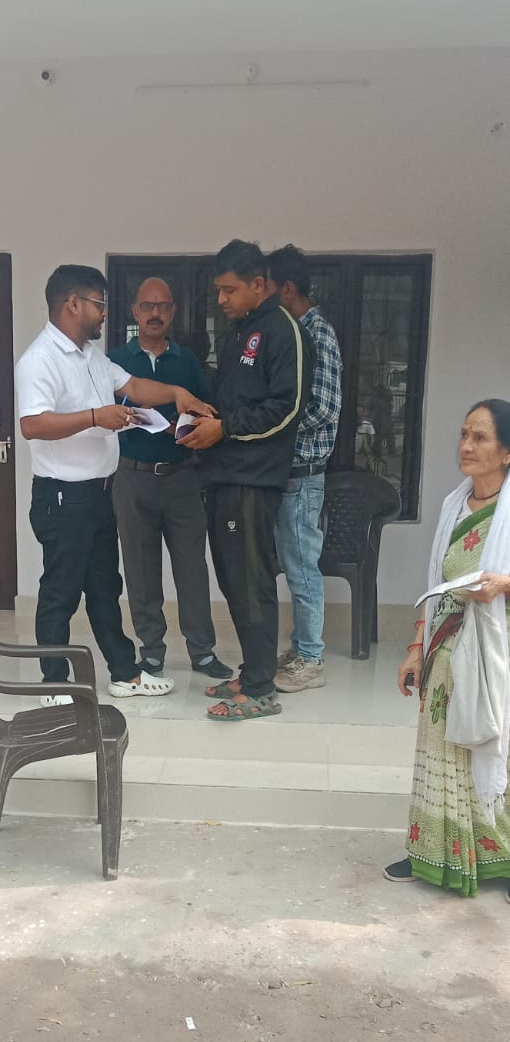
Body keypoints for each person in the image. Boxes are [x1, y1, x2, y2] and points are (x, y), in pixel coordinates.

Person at [15, 264, 215, 702]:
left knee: (106, 589)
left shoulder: (91, 356)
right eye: (99, 304)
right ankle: (54, 682)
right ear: (73, 304)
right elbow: (32, 424)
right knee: (60, 593)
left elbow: (134, 385)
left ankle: (125, 673)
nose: (105, 313)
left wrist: (175, 394)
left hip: (100, 493)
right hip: (62, 497)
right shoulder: (39, 360)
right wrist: (95, 417)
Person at [179, 239, 314, 722]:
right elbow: (233, 403)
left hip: (253, 482)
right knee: (233, 580)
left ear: (259, 284)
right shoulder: (240, 332)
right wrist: (202, 420)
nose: (221, 299)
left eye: (229, 290)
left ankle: (260, 689)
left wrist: (225, 429)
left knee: (252, 582)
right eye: (218, 290)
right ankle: (252, 670)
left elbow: (287, 409)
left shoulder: (284, 331)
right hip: (223, 475)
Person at [384, 399, 510, 900]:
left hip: (497, 656)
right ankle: (432, 852)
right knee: (442, 749)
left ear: (507, 452)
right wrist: (416, 648)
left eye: (480, 437)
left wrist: (503, 584)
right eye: (463, 434)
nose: (466, 446)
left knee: (493, 748)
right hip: (446, 652)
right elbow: (434, 585)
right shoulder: (454, 506)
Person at [108, 276, 232, 681]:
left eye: (162, 306)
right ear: (135, 312)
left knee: (192, 568)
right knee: (140, 570)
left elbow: (205, 410)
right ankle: (151, 651)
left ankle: (203, 652)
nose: (155, 313)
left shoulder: (187, 361)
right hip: (133, 478)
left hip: (181, 478)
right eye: (147, 306)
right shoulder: (115, 362)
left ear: (173, 312)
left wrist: (186, 425)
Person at [265, 244, 343, 692]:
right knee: (294, 564)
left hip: (304, 473)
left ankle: (311, 658)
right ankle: (302, 647)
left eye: (268, 287)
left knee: (302, 567)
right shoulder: (297, 332)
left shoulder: (317, 334)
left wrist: (275, 425)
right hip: (290, 472)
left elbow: (324, 408)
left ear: (287, 289)